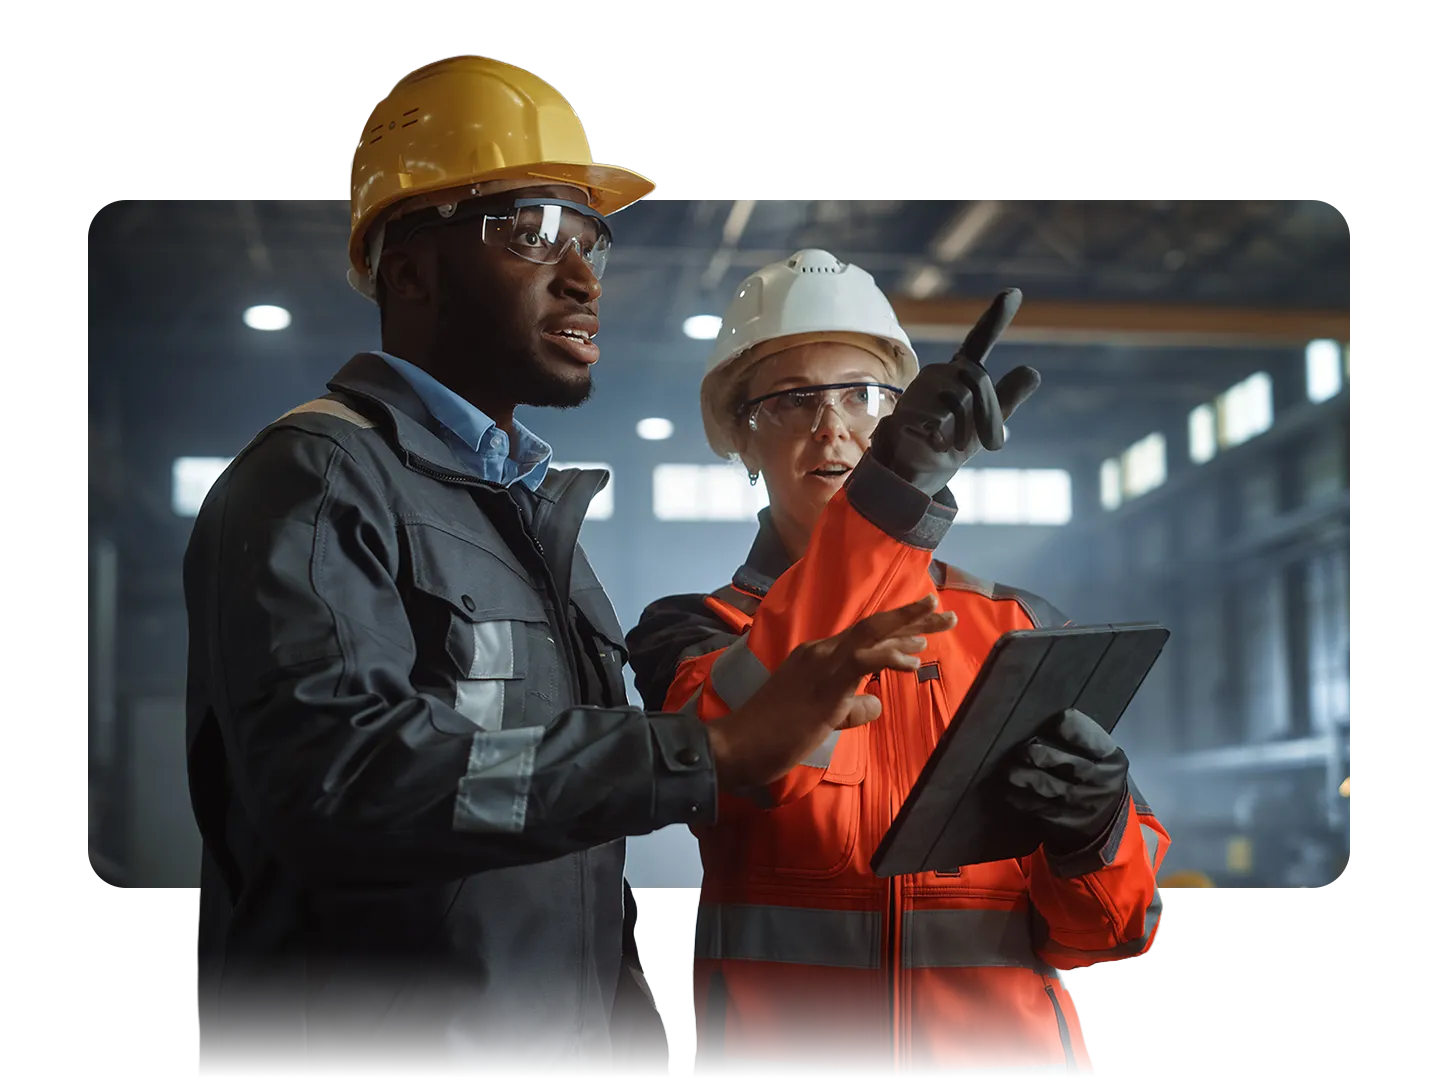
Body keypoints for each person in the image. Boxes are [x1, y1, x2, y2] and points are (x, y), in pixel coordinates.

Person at [182, 58, 956, 1080]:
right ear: (410, 272)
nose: (585, 275)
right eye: (535, 233)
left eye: (589, 238)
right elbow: (346, 780)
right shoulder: (320, 483)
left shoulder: (526, 526)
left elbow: (554, 836)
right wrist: (700, 755)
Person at [627, 249, 1172, 1080]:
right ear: (741, 435)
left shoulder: (1014, 628)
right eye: (794, 400)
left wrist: (1095, 834)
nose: (833, 425)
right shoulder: (695, 635)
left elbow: (1108, 934)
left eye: (864, 396)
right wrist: (894, 494)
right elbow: (747, 761)